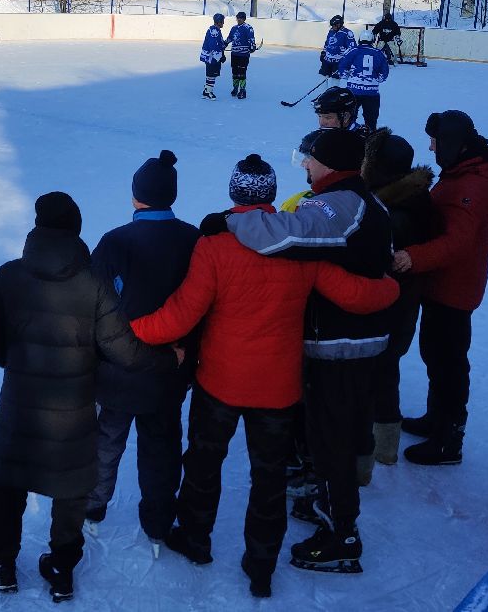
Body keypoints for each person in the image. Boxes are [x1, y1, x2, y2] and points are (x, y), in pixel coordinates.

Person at [131, 155, 397, 599]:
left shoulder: (214, 244)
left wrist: (132, 329)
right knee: (269, 477)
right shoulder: (297, 248)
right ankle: (261, 567)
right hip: (277, 387)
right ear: (271, 195)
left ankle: (195, 538)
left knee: (202, 463)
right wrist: (390, 286)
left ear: (234, 194)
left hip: (220, 381)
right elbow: (354, 294)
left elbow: (181, 315)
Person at [0, 192, 179, 602]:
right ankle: (62, 569)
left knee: (10, 483)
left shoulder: (9, 275)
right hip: (73, 408)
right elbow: (123, 351)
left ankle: (2, 562)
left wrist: (18, 363)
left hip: (20, 403)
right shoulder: (93, 284)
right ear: (76, 230)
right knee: (70, 490)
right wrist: (168, 359)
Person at [213, 129, 392, 574]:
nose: (305, 168)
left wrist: (231, 220)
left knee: (332, 441)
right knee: (328, 435)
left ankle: (342, 537)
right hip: (351, 339)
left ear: (328, 163)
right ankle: (330, 509)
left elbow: (281, 236)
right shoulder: (363, 199)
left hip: (341, 345)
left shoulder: (337, 203)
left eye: (308, 160)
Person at [84, 150, 200, 552]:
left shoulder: (115, 241)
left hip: (118, 369)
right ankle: (158, 522)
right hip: (169, 368)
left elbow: (92, 305)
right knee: (162, 444)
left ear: (135, 198)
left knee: (107, 437)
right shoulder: (193, 239)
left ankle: (93, 506)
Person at [393, 111, 488, 466]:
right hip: (440, 282)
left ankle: (449, 440)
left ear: (452, 142)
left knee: (449, 362)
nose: (430, 147)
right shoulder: (461, 170)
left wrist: (411, 257)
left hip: (454, 287)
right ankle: (435, 419)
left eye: (434, 141)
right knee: (435, 353)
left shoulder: (474, 185)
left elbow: (456, 243)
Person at [361, 128, 435, 467]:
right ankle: (385, 446)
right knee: (386, 371)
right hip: (403, 309)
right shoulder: (410, 199)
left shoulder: (390, 212)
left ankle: (369, 453)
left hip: (385, 309)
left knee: (374, 375)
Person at [337, 29, 390, 133]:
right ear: (372, 40)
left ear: (360, 39)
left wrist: (348, 76)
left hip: (354, 91)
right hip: (372, 92)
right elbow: (384, 73)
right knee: (371, 120)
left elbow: (342, 67)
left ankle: (347, 137)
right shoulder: (379, 53)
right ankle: (371, 141)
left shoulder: (353, 51)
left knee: (349, 118)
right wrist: (375, 81)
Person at [226, 11, 259, 100]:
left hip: (243, 55)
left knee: (242, 72)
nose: (239, 19)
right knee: (235, 72)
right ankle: (235, 88)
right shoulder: (234, 28)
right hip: (234, 54)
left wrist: (252, 46)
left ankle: (242, 90)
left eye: (241, 17)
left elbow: (251, 39)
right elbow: (230, 38)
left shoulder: (248, 28)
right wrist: (224, 43)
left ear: (244, 19)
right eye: (238, 17)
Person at [319, 15, 356, 88]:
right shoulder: (331, 31)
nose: (332, 27)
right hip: (327, 60)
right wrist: (323, 52)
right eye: (331, 25)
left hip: (338, 61)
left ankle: (332, 96)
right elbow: (327, 43)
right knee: (322, 77)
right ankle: (322, 96)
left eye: (334, 25)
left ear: (339, 24)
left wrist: (345, 58)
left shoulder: (347, 33)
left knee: (335, 80)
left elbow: (352, 48)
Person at [199, 13, 228, 100]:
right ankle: (208, 92)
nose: (223, 23)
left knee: (211, 74)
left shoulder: (216, 30)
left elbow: (219, 44)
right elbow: (213, 46)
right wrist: (220, 56)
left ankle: (206, 91)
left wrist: (226, 43)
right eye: (222, 21)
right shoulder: (214, 31)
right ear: (218, 21)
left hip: (212, 57)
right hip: (211, 57)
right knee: (211, 74)